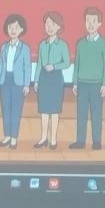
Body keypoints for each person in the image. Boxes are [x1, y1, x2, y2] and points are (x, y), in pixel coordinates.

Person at [70, 7, 105, 151]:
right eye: (88, 21)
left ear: (99, 23)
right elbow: (77, 64)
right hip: (82, 84)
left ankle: (97, 141)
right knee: (81, 114)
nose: (91, 24)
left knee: (96, 114)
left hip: (97, 85)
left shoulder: (104, 44)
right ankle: (80, 141)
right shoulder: (81, 43)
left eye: (94, 21)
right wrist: (75, 82)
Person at [33, 11, 70, 150]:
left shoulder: (62, 45)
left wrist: (54, 66)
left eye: (53, 24)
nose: (49, 27)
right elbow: (39, 63)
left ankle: (53, 139)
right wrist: (36, 80)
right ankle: (43, 138)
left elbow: (67, 62)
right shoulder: (42, 44)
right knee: (43, 110)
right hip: (43, 78)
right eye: (47, 24)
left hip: (55, 78)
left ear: (59, 26)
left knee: (54, 111)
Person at [0, 14, 32, 149]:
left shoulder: (25, 48)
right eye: (10, 27)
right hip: (5, 80)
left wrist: (27, 84)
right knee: (5, 109)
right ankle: (7, 135)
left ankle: (14, 138)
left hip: (18, 82)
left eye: (16, 27)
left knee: (16, 110)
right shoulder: (4, 47)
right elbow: (1, 65)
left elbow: (27, 67)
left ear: (21, 29)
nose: (13, 30)